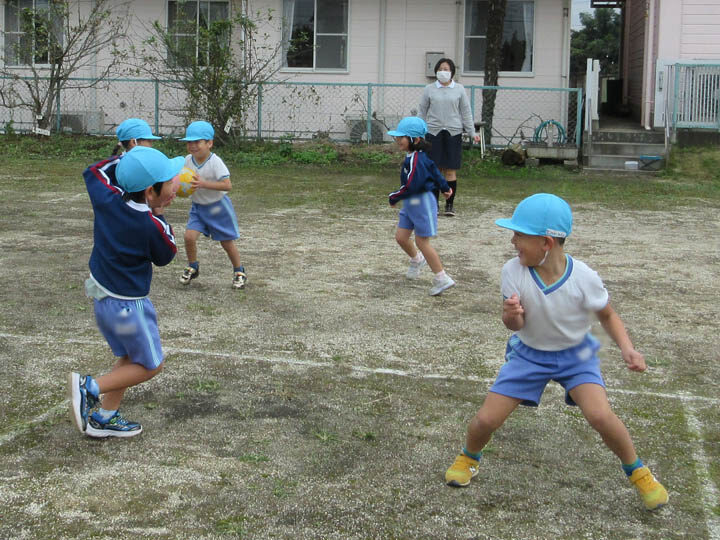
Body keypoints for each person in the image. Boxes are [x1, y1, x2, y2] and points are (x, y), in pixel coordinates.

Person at [444, 193, 669, 511]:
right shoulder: (513, 271)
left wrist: (628, 349)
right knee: (484, 420)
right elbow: (513, 324)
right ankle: (469, 457)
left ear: (546, 243)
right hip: (528, 355)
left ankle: (640, 473)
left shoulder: (584, 278)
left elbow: (608, 315)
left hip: (576, 356)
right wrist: (511, 313)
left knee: (601, 416)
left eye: (520, 234)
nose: (512, 241)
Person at [69, 146, 184, 438]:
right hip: (129, 307)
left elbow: (93, 170)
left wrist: (128, 158)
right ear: (149, 192)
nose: (176, 184)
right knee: (150, 364)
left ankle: (105, 416)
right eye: (170, 181)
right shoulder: (151, 225)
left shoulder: (107, 197)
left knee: (131, 358)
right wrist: (158, 212)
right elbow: (166, 254)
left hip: (104, 299)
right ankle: (90, 387)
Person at [387, 116, 455, 296]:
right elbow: (435, 171)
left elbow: (411, 186)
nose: (397, 140)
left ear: (415, 140)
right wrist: (445, 187)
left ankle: (442, 278)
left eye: (401, 137)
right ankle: (417, 260)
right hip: (411, 204)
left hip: (422, 203)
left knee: (421, 241)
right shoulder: (415, 157)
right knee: (401, 237)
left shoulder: (417, 160)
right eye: (397, 137)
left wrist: (394, 197)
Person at [177, 121, 247, 289]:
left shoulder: (215, 162)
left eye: (197, 142)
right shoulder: (187, 160)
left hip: (217, 207)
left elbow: (227, 185)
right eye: (189, 142)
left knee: (226, 242)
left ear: (209, 143)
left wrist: (203, 183)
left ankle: (239, 271)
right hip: (198, 207)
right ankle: (193, 266)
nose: (192, 146)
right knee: (189, 237)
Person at [418, 57, 481, 217]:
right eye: (440, 69)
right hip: (433, 132)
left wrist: (472, 132)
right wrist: (418, 131)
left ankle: (449, 205)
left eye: (446, 69)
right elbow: (422, 111)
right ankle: (434, 206)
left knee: (450, 171)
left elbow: (466, 112)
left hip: (453, 132)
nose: (443, 72)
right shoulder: (429, 89)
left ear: (452, 72)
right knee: (435, 170)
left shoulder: (459, 89)